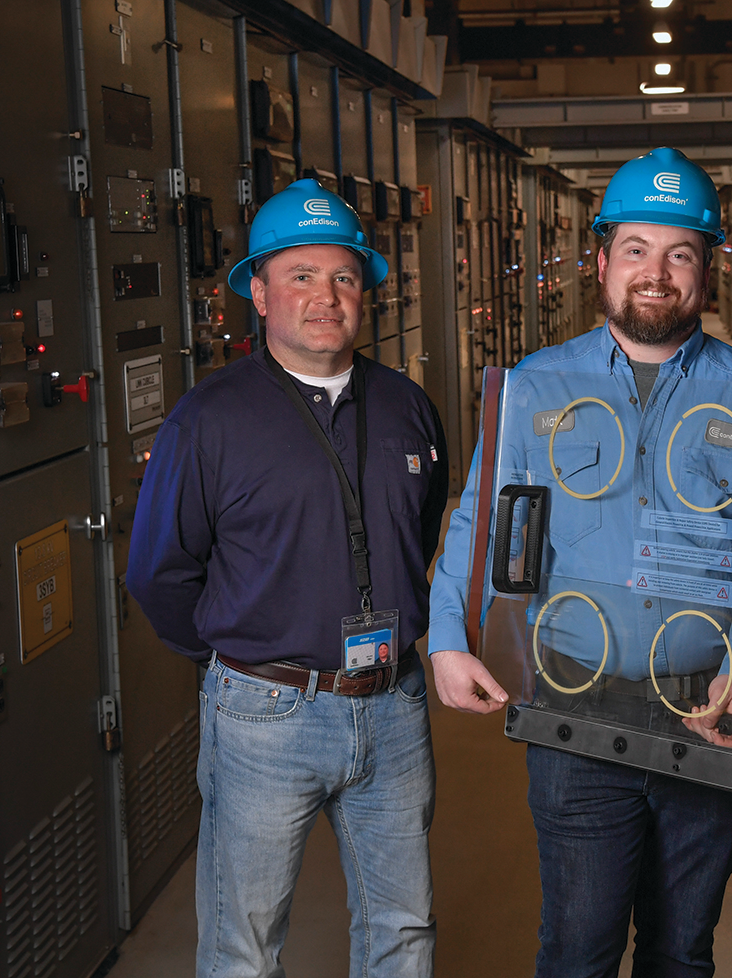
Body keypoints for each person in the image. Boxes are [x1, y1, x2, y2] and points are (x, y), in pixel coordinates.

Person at [426, 147, 732, 978]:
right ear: (600, 261)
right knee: (579, 949)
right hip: (577, 705)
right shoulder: (536, 386)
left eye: (679, 253)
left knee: (682, 950)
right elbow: (481, 516)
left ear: (707, 269)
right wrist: (447, 636)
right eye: (635, 249)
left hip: (709, 705)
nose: (656, 273)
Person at [126, 178, 449, 978]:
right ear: (260, 293)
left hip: (395, 706)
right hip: (263, 715)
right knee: (244, 945)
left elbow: (422, 527)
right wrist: (240, 658)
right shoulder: (209, 419)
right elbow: (159, 571)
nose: (324, 296)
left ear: (365, 291)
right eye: (300, 276)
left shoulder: (408, 405)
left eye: (342, 276)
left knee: (404, 929)